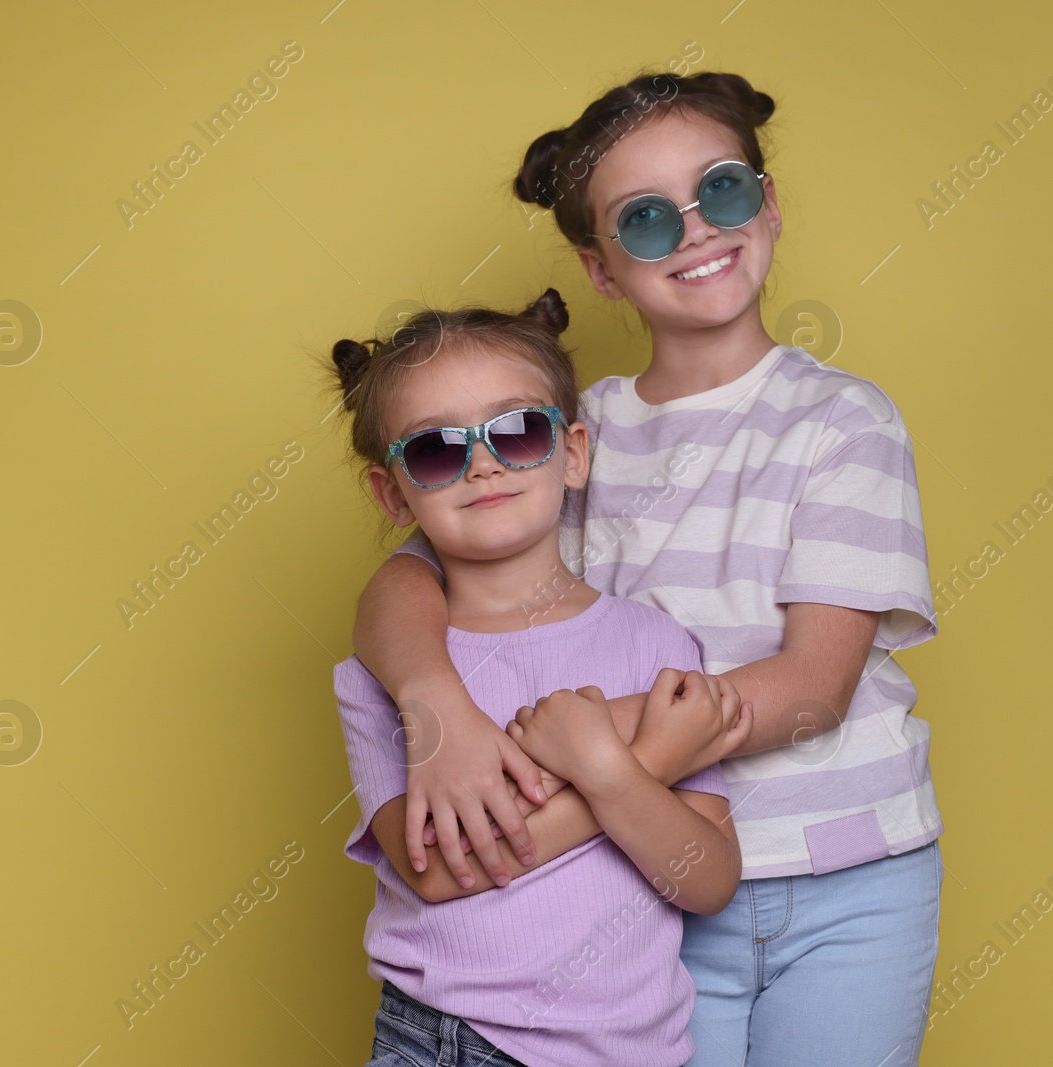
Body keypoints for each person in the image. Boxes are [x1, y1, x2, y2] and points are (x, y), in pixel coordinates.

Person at [355, 70, 945, 1065]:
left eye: (719, 190)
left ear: (768, 202)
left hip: (851, 878)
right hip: (630, 879)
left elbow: (810, 690)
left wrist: (583, 752)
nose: (699, 231)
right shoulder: (568, 432)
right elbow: (402, 580)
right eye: (645, 218)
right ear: (600, 268)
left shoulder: (844, 421)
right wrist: (439, 710)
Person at [329, 288, 750, 1067]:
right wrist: (638, 764)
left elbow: (710, 878)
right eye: (435, 449)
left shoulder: (656, 644)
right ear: (392, 492)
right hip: (448, 1042)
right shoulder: (379, 672)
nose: (482, 463)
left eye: (518, 430)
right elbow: (438, 872)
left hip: (637, 1051)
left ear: (575, 451)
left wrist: (608, 773)